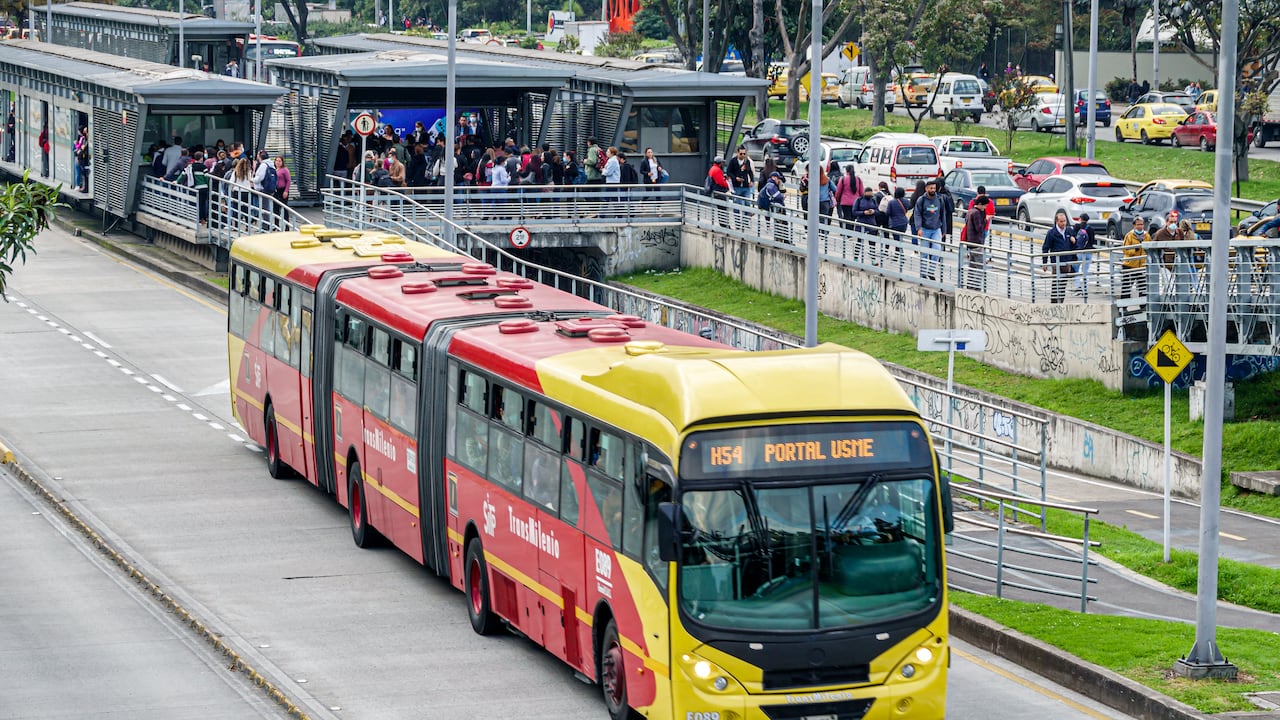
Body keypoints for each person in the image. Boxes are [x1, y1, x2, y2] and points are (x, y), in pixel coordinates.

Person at [911, 179, 947, 281]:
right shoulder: (921, 200)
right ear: (926, 188)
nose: (933, 190)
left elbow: (942, 214)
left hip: (936, 229)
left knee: (936, 250)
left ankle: (931, 271)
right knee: (925, 253)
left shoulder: (940, 199)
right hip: (925, 229)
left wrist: (944, 229)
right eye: (931, 188)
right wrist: (919, 228)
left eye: (934, 188)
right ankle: (923, 273)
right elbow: (917, 214)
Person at [1041, 210, 1076, 303]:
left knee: (1063, 284)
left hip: (1067, 261)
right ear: (1057, 222)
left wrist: (1073, 240)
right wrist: (1044, 263)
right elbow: (1045, 248)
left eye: (1064, 221)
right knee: (1056, 283)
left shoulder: (1069, 231)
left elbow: (1074, 247)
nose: (1063, 223)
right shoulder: (1052, 233)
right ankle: (1054, 303)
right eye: (1061, 221)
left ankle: (1061, 302)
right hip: (1056, 262)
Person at [961, 196, 990, 291]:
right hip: (977, 243)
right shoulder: (977, 214)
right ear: (980, 204)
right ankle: (976, 286)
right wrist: (985, 220)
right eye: (985, 206)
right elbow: (979, 228)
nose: (985, 208)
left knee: (972, 266)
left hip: (970, 242)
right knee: (979, 266)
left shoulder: (970, 211)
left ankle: (970, 285)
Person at [1121, 215, 1149, 307]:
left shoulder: (1146, 235)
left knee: (1143, 287)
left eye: (1141, 224)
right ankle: (1124, 306)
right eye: (1138, 224)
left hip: (1142, 265)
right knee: (1127, 287)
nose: (1140, 226)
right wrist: (1135, 250)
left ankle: (1143, 305)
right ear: (1134, 225)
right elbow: (1125, 250)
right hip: (1130, 265)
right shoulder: (1129, 235)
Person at [851, 184, 880, 263]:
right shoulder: (859, 200)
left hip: (871, 223)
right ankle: (856, 257)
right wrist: (863, 212)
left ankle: (873, 259)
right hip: (861, 223)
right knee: (859, 241)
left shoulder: (873, 200)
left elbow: (878, 211)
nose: (870, 196)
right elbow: (854, 212)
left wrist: (873, 211)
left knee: (872, 242)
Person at [1071, 213, 1097, 297]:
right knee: (1085, 271)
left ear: (1080, 219)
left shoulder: (1077, 227)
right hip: (1088, 252)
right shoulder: (1091, 229)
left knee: (1076, 270)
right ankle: (1085, 289)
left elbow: (1073, 237)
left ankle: (1078, 287)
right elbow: (1093, 241)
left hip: (1079, 252)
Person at [73, 126, 90, 193]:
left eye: (86, 132)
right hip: (81, 158)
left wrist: (78, 145)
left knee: (84, 173)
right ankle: (83, 186)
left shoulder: (86, 140)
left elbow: (82, 148)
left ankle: (83, 187)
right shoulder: (84, 139)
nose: (85, 134)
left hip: (84, 159)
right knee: (83, 173)